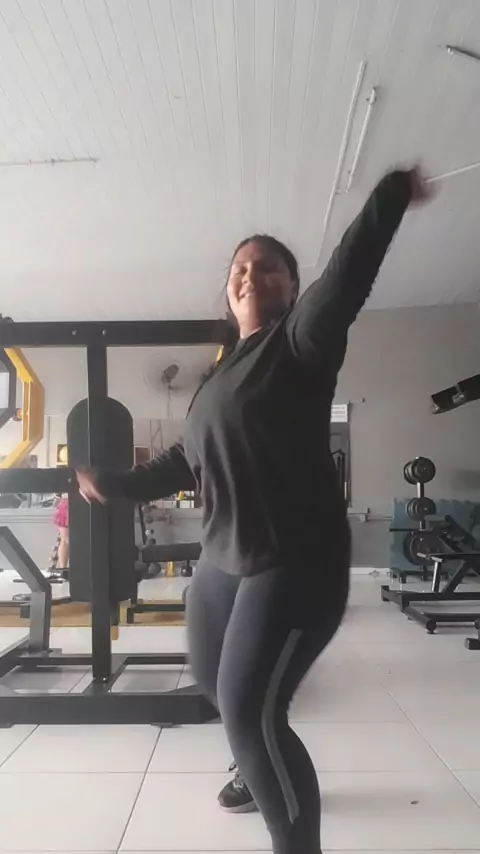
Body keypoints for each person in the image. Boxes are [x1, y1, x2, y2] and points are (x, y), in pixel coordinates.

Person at [77, 167, 433, 854]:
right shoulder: (219, 376)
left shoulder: (299, 343)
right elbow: (183, 462)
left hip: (293, 558)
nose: (249, 275)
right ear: (228, 290)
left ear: (292, 289)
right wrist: (111, 485)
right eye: (240, 268)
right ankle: (254, 762)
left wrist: (389, 194)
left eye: (268, 267)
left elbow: (347, 279)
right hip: (224, 558)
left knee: (250, 711)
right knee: (219, 686)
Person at [53, 495, 69, 569]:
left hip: (65, 502)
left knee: (64, 540)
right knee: (66, 540)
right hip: (78, 501)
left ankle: (63, 569)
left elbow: (57, 494)